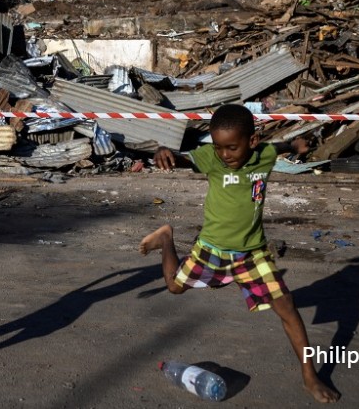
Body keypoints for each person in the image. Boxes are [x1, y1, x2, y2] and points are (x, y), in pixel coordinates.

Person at [139, 104, 340, 403]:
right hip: (211, 249)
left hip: (252, 254)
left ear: (253, 141)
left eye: (232, 147)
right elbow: (183, 158)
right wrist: (165, 151)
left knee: (287, 306)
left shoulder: (265, 155)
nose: (225, 155)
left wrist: (295, 144)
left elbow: (278, 146)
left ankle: (310, 376)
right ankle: (167, 238)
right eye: (219, 147)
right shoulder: (211, 158)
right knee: (173, 287)